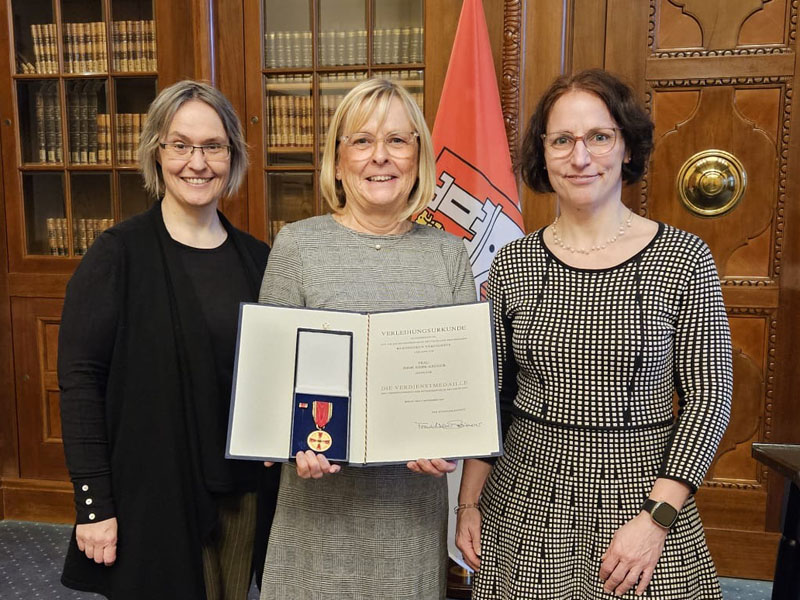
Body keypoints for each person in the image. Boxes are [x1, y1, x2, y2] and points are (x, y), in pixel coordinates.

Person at [456, 69, 732, 599]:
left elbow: (709, 399)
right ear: (544, 154)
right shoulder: (512, 263)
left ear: (626, 147)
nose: (580, 157)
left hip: (642, 500)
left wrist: (656, 521)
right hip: (525, 501)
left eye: (599, 137)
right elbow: (489, 397)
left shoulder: (685, 258)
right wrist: (469, 504)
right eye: (562, 140)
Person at [58, 80, 279, 599]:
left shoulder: (259, 259)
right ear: (156, 153)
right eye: (180, 145)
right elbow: (81, 383)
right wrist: (94, 506)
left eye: (213, 147)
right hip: (154, 494)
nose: (196, 163)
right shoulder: (118, 256)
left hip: (247, 494)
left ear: (233, 157)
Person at [257, 78, 476, 599]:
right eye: (361, 141)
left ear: (419, 157)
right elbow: (272, 383)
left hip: (408, 510)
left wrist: (447, 438)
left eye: (398, 141)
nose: (381, 157)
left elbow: (460, 385)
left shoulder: (448, 254)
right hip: (316, 507)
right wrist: (290, 441)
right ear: (337, 161)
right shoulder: (296, 245)